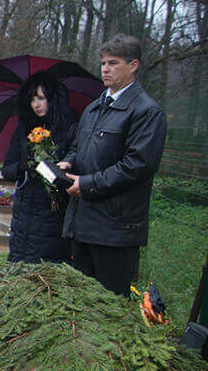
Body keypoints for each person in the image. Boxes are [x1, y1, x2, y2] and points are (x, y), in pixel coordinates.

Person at [59, 34, 167, 296]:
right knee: (81, 302)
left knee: (110, 308)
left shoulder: (146, 112)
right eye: (103, 63)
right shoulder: (94, 108)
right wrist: (68, 162)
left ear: (133, 65)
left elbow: (137, 166)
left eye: (113, 63)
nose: (105, 69)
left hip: (116, 230)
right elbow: (79, 147)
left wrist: (87, 183)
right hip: (83, 223)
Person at [1, 74, 75, 263]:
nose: (36, 104)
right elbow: (6, 169)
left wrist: (49, 167)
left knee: (44, 265)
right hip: (24, 210)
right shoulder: (23, 128)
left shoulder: (68, 129)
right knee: (19, 263)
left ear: (52, 98)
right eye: (32, 99)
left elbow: (73, 167)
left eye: (41, 98)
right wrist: (23, 166)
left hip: (52, 210)